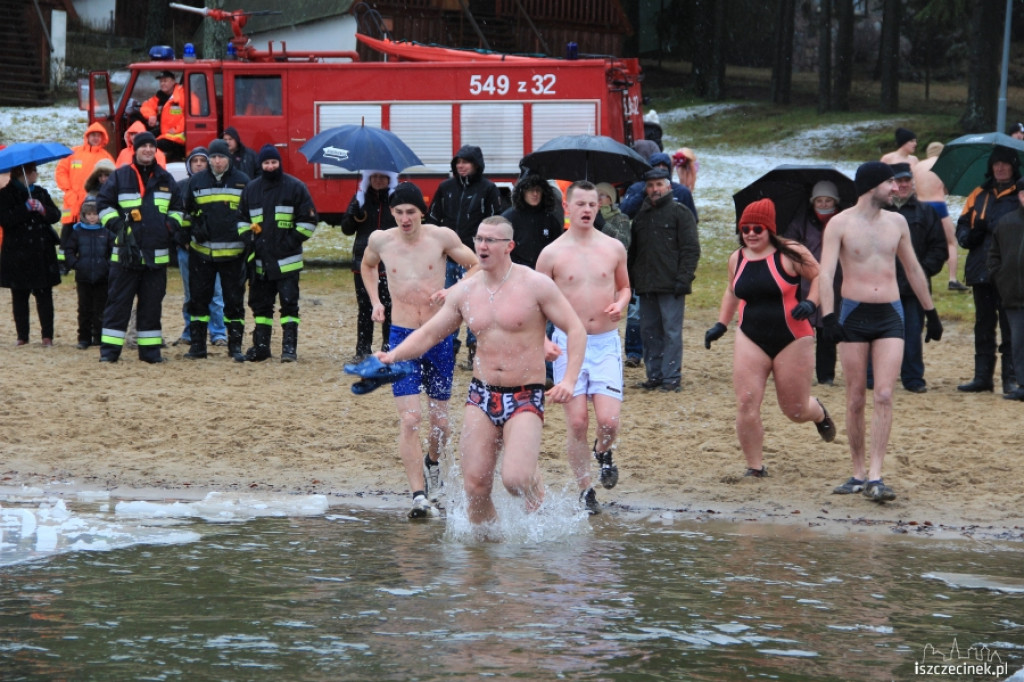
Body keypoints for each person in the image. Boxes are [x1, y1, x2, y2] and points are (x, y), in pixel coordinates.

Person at [377, 215, 586, 527]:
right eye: (479, 239)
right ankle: (486, 551)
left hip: (524, 395)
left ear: (509, 246)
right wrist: (392, 355)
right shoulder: (465, 290)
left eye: (491, 240)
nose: (483, 246)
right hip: (482, 394)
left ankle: (534, 486)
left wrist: (568, 379)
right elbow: (430, 333)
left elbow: (576, 329)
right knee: (475, 487)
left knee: (514, 480)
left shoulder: (535, 285)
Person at [818, 162, 943, 502]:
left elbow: (913, 268)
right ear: (871, 186)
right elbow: (826, 274)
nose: (895, 188)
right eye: (890, 183)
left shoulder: (898, 222)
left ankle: (876, 474)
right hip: (853, 314)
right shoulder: (839, 225)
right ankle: (857, 472)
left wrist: (931, 312)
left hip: (890, 314)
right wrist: (828, 317)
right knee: (856, 396)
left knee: (885, 394)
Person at [361, 182, 480, 518]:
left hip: (438, 335)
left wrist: (453, 291)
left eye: (410, 211)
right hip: (401, 335)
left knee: (440, 423)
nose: (404, 218)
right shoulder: (380, 240)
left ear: (421, 211)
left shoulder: (441, 236)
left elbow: (476, 265)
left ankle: (433, 462)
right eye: (398, 212)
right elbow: (367, 267)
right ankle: (418, 495)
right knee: (411, 418)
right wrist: (375, 302)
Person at [704, 198, 836, 477]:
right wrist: (720, 324)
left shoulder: (790, 253)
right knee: (746, 402)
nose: (751, 234)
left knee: (795, 410)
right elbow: (731, 291)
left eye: (758, 229)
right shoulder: (736, 258)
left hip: (793, 336)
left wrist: (811, 304)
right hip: (750, 336)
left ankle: (819, 413)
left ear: (770, 230)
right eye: (746, 228)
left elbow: (820, 277)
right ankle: (755, 466)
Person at [536, 181, 631, 515]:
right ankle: (585, 489)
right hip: (567, 344)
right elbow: (536, 305)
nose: (588, 210)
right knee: (576, 422)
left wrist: (620, 304)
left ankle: (603, 451)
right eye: (581, 204)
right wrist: (543, 340)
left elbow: (625, 287)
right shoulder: (551, 254)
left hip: (605, 343)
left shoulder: (613, 248)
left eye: (593, 204)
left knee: (609, 420)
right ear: (567, 207)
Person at [95, 132, 185, 363]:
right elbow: (103, 204)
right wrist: (117, 226)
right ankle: (109, 353)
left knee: (151, 306)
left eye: (151, 146)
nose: (147, 150)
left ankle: (150, 353)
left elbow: (178, 208)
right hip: (126, 255)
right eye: (143, 146)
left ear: (156, 151)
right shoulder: (121, 176)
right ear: (134, 150)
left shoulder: (165, 178)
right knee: (118, 304)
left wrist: (169, 227)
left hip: (156, 256)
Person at [236, 145, 318, 363]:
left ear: (279, 163)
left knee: (289, 305)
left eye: (273, 163)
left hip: (287, 261)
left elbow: (309, 221)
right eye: (266, 163)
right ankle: (261, 347)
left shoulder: (295, 187)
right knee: (261, 307)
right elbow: (241, 219)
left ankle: (289, 349)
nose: (270, 167)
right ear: (260, 165)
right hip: (260, 261)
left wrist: (289, 242)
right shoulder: (251, 189)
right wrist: (249, 238)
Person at [427, 145, 502, 369]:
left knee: (475, 305)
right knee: (447, 304)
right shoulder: (445, 187)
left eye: (466, 161)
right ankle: (447, 350)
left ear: (476, 164)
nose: (461, 165)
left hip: (477, 261)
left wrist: (489, 249)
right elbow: (432, 220)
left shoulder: (488, 189)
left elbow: (496, 223)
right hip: (447, 259)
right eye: (458, 161)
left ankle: (474, 352)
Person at [628, 168, 701, 392]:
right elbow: (634, 252)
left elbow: (691, 249)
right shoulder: (641, 216)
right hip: (646, 284)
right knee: (649, 332)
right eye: (650, 186)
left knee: (671, 332)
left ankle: (671, 378)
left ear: (668, 186)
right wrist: (631, 280)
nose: (654, 189)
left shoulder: (681, 213)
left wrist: (684, 278)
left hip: (672, 285)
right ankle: (655, 375)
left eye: (659, 184)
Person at [954, 146, 1019, 394]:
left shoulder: (1020, 194)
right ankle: (982, 377)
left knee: (1010, 325)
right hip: (981, 269)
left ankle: (1010, 378)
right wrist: (970, 235)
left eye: (1005, 163)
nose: (1000, 168)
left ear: (1014, 166)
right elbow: (961, 228)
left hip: (1010, 272)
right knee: (983, 324)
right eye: (996, 163)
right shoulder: (978, 194)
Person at [182, 139, 251, 361]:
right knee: (198, 301)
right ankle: (198, 347)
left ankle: (235, 347)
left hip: (233, 255)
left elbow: (250, 215)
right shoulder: (196, 182)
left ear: (229, 158)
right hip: (202, 253)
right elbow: (185, 213)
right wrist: (193, 228)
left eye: (221, 157)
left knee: (234, 303)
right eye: (213, 157)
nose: (217, 161)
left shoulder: (243, 182)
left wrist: (246, 239)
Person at [885, 163, 948, 393]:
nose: (902, 185)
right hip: (882, 285)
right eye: (897, 181)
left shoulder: (927, 212)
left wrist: (921, 271)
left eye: (906, 180)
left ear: (912, 182)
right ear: (890, 184)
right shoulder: (881, 212)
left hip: (914, 288)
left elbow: (939, 248)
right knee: (880, 333)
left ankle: (913, 378)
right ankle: (872, 377)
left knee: (912, 334)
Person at [782, 180, 844, 386]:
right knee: (803, 333)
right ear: (813, 201)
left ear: (835, 202)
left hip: (836, 282)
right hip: (806, 284)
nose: (824, 204)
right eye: (820, 200)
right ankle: (801, 373)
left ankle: (826, 376)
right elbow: (788, 244)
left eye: (828, 200)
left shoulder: (844, 220)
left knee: (828, 332)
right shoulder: (802, 221)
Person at [0, 163, 62, 346]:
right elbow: (5, 220)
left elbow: (55, 215)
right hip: (17, 253)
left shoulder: (41, 192)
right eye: (33, 170)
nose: (37, 173)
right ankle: (22, 335)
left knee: (44, 295)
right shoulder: (5, 195)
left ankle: (47, 336)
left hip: (41, 251)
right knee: (19, 296)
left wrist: (42, 209)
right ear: (22, 173)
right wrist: (24, 209)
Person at [173, 147, 227, 350]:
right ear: (188, 164)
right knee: (190, 294)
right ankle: (190, 331)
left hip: (212, 249)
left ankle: (218, 332)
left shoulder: (217, 186)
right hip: (186, 249)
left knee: (215, 293)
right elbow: (174, 218)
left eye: (202, 161)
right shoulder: (179, 187)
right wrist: (183, 240)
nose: (198, 164)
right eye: (194, 160)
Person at [340, 169, 397, 363]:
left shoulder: (396, 200)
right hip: (363, 261)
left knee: (390, 307)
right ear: (368, 178)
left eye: (382, 177)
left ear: (389, 179)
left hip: (392, 260)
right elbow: (346, 229)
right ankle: (362, 349)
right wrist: (354, 216)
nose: (378, 180)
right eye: (374, 177)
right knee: (365, 307)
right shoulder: (359, 199)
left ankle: (389, 348)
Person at [913, 141, 967, 291]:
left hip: (921, 206)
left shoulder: (918, 166)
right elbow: (947, 188)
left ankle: (919, 273)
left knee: (920, 242)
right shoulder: (943, 165)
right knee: (951, 242)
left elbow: (914, 188)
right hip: (938, 205)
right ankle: (952, 279)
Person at [988, 177, 1024, 401]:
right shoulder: (1006, 222)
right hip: (1013, 294)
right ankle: (1022, 384)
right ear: (1019, 196)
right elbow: (993, 255)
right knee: (1018, 342)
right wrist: (999, 278)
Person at [63, 198, 113, 349]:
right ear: (84, 215)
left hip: (102, 277)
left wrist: (107, 266)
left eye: (95, 213)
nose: (92, 217)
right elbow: (69, 250)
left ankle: (99, 336)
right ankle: (84, 338)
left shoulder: (106, 231)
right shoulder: (77, 231)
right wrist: (75, 264)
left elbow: (113, 250)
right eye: (89, 214)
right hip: (84, 276)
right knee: (84, 309)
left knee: (101, 309)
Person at [55, 122, 114, 236]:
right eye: (93, 135)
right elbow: (61, 171)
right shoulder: (73, 153)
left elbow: (112, 179)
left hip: (93, 201)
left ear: (103, 137)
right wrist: (69, 190)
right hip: (71, 201)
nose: (96, 138)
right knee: (67, 236)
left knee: (90, 237)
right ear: (87, 136)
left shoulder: (106, 157)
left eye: (98, 135)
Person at [502, 173, 561, 269]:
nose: (535, 194)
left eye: (538, 190)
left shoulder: (550, 219)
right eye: (530, 190)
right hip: (516, 271)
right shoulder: (509, 219)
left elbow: (557, 249)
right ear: (522, 192)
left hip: (544, 272)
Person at [619, 152, 698, 221]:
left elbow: (692, 220)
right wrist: (642, 194)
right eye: (657, 166)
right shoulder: (636, 188)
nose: (660, 170)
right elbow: (623, 213)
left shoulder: (682, 192)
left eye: (664, 167)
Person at [140, 70, 187, 162]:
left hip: (179, 135)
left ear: (173, 81)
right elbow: (146, 105)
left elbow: (191, 116)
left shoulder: (183, 95)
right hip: (166, 132)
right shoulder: (161, 96)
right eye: (161, 81)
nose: (162, 83)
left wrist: (177, 129)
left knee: (148, 146)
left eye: (165, 81)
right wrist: (151, 115)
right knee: (142, 138)